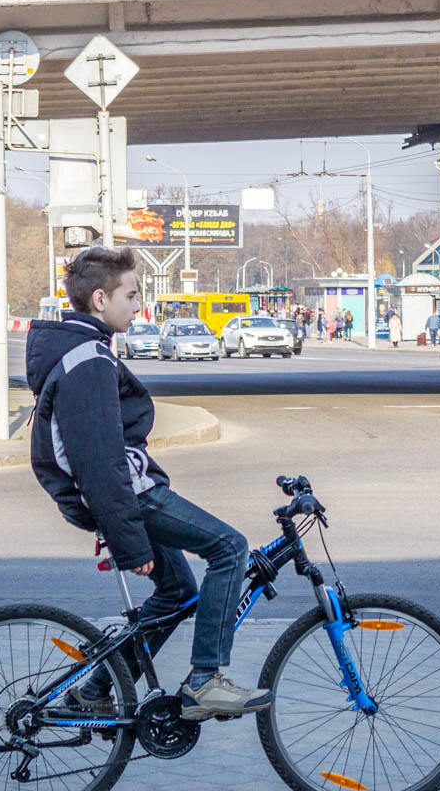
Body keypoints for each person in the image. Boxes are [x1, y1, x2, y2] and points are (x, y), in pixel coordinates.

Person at [26, 246, 273, 720]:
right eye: (132, 294)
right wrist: (129, 541)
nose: (138, 305)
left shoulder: (83, 350)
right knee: (229, 548)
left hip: (124, 496)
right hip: (133, 497)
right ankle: (205, 681)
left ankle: (96, 689)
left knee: (178, 591)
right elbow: (99, 462)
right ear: (100, 298)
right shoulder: (88, 360)